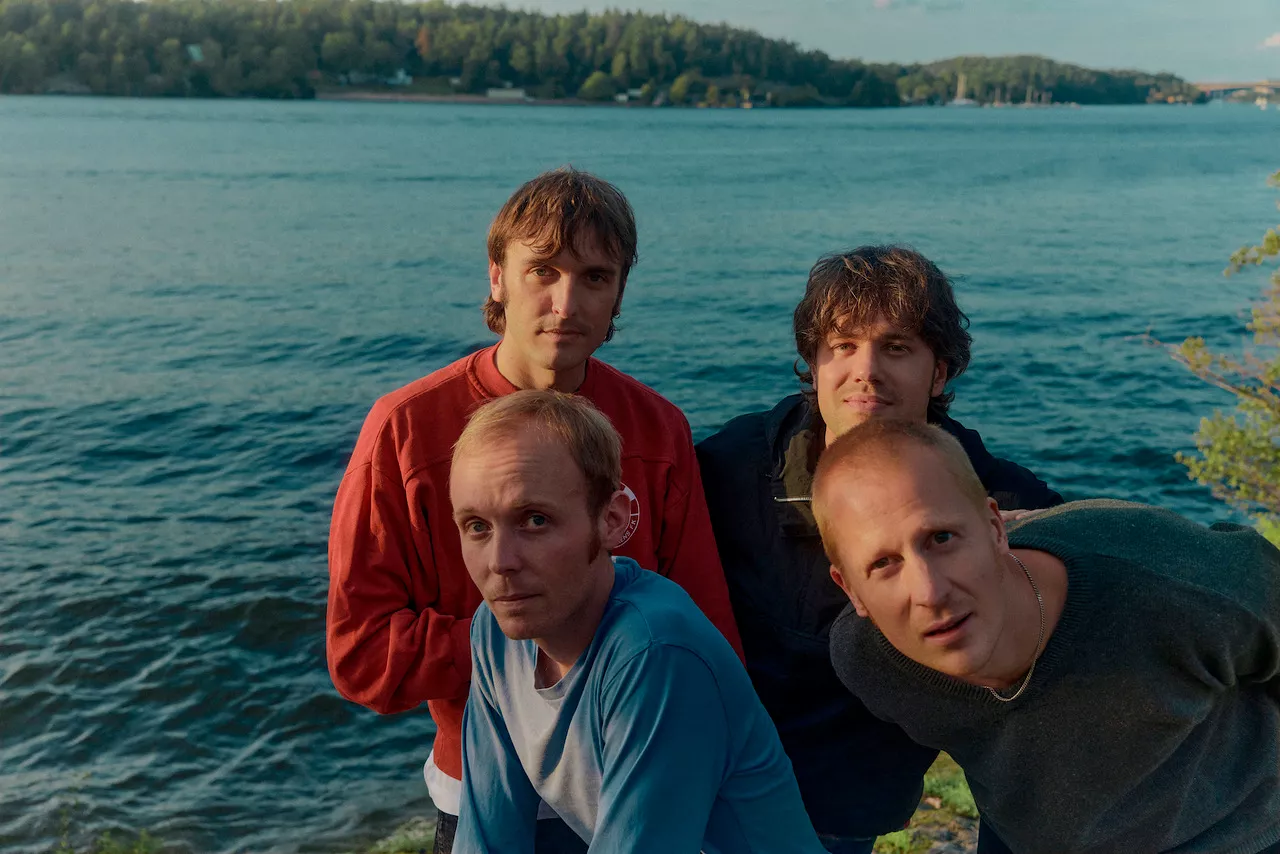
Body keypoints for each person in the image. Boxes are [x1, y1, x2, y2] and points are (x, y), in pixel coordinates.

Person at [326, 168, 742, 853]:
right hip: (482, 796)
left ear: (618, 294)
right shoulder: (407, 431)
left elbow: (709, 632)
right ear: (497, 277)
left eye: (595, 277)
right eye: (543, 270)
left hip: (637, 785)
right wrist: (538, 646)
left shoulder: (657, 429)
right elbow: (363, 654)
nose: (566, 302)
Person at [696, 245, 1061, 852]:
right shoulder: (731, 466)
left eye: (895, 347)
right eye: (843, 345)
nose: (865, 370)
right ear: (815, 363)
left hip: (843, 809)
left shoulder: (998, 501)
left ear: (939, 372)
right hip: (711, 782)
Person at [815, 418, 1280, 854]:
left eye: (941, 538)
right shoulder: (868, 659)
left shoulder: (1165, 583)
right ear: (851, 589)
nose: (929, 592)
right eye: (884, 563)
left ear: (995, 529)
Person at [451, 390, 825, 854]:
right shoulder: (495, 632)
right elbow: (488, 835)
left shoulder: (655, 650)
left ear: (611, 520)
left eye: (535, 520)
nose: (500, 562)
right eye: (477, 526)